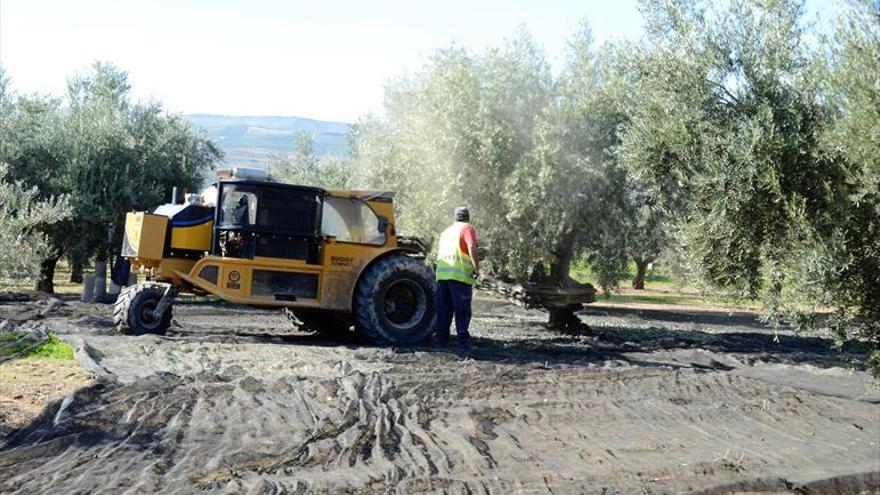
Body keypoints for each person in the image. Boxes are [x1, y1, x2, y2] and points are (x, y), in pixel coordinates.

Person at [434, 206, 479, 353]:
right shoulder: (467, 228)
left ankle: (441, 342)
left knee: (444, 310)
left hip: (442, 276)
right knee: (462, 311)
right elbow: (471, 246)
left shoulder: (446, 232)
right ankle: (463, 344)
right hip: (459, 276)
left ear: (455, 218)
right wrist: (477, 268)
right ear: (467, 217)